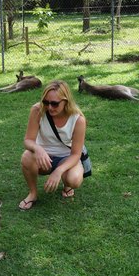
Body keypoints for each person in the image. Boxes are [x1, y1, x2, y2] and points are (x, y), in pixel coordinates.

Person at [19, 80, 87, 210]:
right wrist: (37, 149)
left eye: (55, 104)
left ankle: (67, 184)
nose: (49, 107)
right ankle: (33, 193)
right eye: (46, 102)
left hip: (67, 158)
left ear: (66, 101)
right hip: (44, 157)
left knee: (74, 179)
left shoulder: (78, 119)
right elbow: (28, 140)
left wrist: (58, 171)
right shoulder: (37, 110)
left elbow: (76, 154)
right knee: (27, 157)